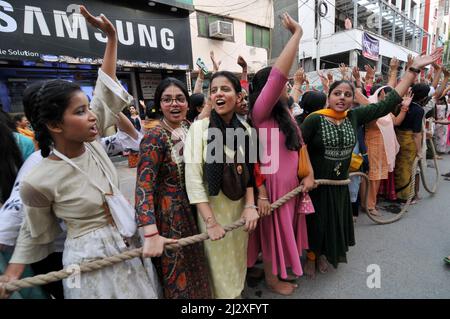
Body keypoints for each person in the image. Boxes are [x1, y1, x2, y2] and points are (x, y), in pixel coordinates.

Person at [0, 6, 160, 299]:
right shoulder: (37, 178)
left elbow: (106, 88)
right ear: (54, 125)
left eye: (88, 108)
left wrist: (111, 38)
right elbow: (31, 232)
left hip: (126, 244)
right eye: (80, 111)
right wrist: (10, 275)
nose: (91, 116)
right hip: (85, 261)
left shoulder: (92, 142)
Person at [301, 49, 442, 276]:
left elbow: (387, 104)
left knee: (333, 222)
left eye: (347, 94)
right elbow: (300, 146)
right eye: (337, 93)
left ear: (352, 99)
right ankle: (310, 256)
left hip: (340, 185)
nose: (342, 98)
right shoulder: (314, 119)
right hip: (317, 184)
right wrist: (307, 174)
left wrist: (413, 70)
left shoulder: (354, 117)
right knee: (315, 222)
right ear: (329, 96)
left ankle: (324, 254)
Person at [247, 13, 315, 296]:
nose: (286, 89)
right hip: (271, 189)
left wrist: (309, 174)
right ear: (267, 92)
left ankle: (279, 270)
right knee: (272, 235)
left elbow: (299, 148)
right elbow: (277, 77)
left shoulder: (286, 114)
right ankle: (273, 282)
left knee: (284, 232)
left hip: (292, 187)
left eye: (288, 88)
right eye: (282, 87)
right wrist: (296, 35)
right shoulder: (260, 114)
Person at [184, 70, 259, 299]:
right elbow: (194, 181)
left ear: (238, 96)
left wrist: (250, 205)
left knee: (237, 262)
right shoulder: (199, 129)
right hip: (213, 214)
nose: (218, 94)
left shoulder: (246, 130)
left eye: (225, 89)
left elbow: (249, 173)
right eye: (213, 90)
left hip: (239, 212)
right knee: (216, 270)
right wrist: (211, 222)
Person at [135, 78, 212, 299]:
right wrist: (150, 231)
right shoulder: (154, 137)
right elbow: (143, 187)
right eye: (167, 100)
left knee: (197, 263)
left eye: (179, 99)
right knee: (178, 272)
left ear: (187, 104)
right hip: (171, 218)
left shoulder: (189, 127)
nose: (174, 104)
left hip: (195, 207)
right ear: (159, 105)